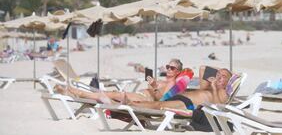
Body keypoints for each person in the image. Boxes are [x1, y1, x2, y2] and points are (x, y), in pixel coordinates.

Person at [55, 59, 184, 103]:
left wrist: (154, 85)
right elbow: (153, 81)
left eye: (172, 68)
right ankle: (73, 93)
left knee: (116, 94)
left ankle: (79, 93)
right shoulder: (165, 81)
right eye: (168, 67)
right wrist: (144, 71)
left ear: (178, 71)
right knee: (111, 95)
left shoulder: (173, 85)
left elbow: (161, 98)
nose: (168, 69)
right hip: (141, 94)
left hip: (145, 100)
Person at [124, 68, 232, 110]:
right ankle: (133, 102)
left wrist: (213, 86)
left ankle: (132, 104)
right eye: (218, 75)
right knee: (158, 100)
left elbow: (218, 106)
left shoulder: (224, 92)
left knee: (159, 106)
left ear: (228, 81)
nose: (219, 77)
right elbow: (202, 68)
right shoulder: (207, 86)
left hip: (189, 104)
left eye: (223, 77)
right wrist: (219, 74)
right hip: (181, 98)